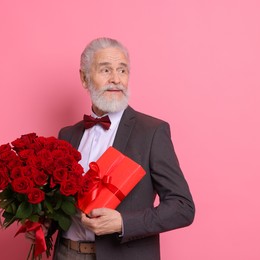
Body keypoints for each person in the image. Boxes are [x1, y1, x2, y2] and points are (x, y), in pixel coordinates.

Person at [52, 37, 195, 260]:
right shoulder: (67, 135)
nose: (116, 79)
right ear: (84, 78)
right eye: (105, 70)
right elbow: (61, 203)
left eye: (122, 70)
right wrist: (42, 224)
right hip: (66, 253)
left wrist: (123, 223)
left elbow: (182, 207)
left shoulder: (152, 131)